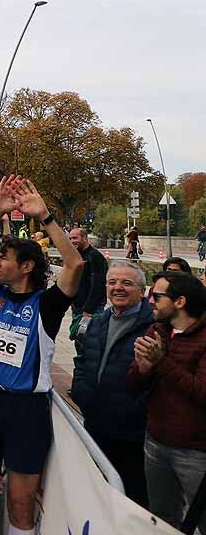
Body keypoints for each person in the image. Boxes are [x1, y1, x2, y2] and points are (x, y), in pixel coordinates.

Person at [0, 177, 85, 535]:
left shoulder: (48, 305)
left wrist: (45, 216)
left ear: (27, 266)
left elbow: (74, 267)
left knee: (21, 506)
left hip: (27, 409)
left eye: (5, 259)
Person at [127, 271, 206, 530]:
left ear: (180, 301)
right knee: (161, 518)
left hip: (195, 451)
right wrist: (144, 369)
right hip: (156, 442)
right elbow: (134, 383)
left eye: (157, 296)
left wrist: (161, 363)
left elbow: (201, 391)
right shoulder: (157, 329)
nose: (150, 300)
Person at [71, 262, 153, 505]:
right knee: (97, 496)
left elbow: (155, 382)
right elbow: (83, 360)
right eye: (112, 282)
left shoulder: (153, 328)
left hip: (132, 436)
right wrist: (81, 393)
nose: (117, 288)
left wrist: (132, 410)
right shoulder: (99, 321)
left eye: (126, 283)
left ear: (142, 290)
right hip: (96, 426)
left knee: (131, 501)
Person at [69, 227, 108, 340]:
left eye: (75, 238)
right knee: (79, 342)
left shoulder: (95, 257)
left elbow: (98, 285)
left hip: (91, 310)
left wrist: (88, 310)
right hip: (79, 308)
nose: (72, 241)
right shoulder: (78, 256)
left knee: (90, 343)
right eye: (70, 238)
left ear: (85, 238)